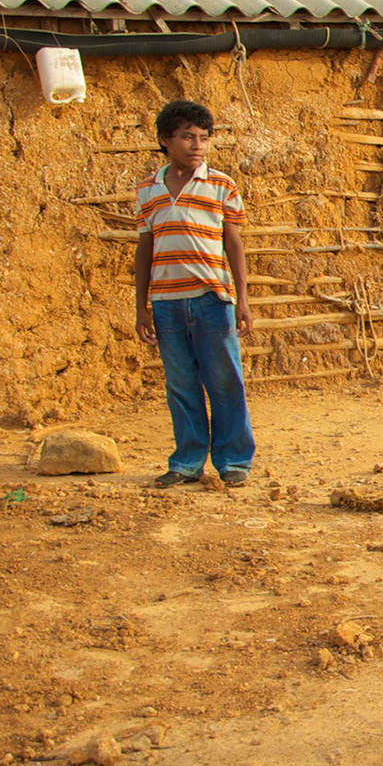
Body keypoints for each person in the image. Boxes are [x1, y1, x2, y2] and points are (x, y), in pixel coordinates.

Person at [133, 100, 256, 487]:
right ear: (165, 140)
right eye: (187, 136)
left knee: (224, 381)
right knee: (181, 384)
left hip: (212, 299)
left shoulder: (221, 185)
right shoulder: (147, 192)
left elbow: (233, 244)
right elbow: (144, 251)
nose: (197, 145)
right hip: (166, 304)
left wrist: (243, 300)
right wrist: (141, 307)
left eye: (203, 138)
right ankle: (186, 462)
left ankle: (234, 459)